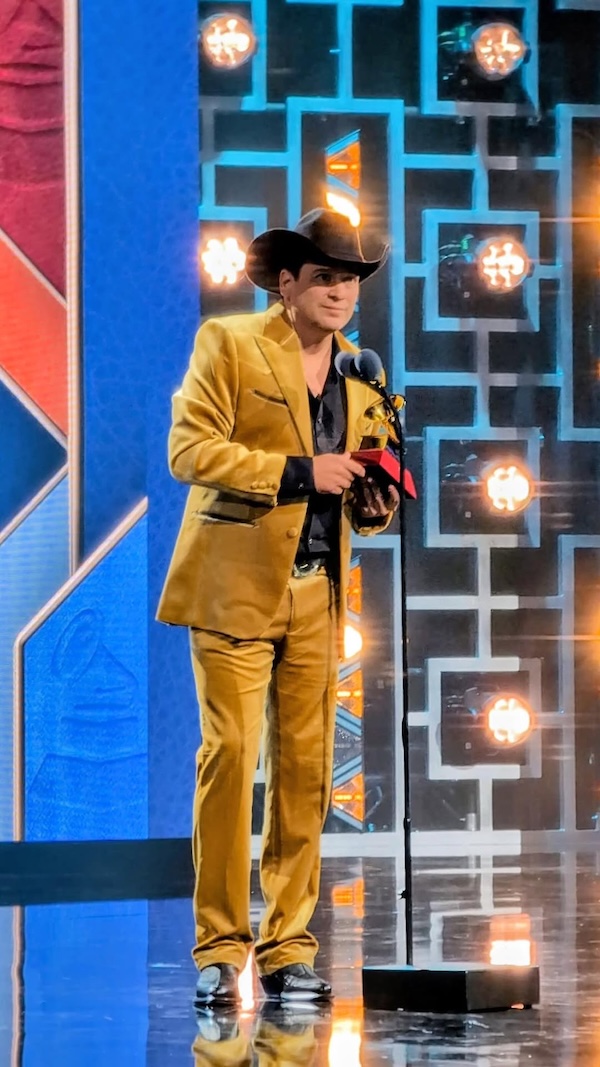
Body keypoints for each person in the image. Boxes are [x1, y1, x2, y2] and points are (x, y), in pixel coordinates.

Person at [157, 208, 399, 1006]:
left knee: (306, 774)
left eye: (350, 280)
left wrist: (374, 494)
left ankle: (290, 945)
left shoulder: (364, 375)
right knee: (230, 757)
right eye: (324, 276)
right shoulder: (229, 344)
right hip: (231, 588)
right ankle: (221, 949)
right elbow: (190, 451)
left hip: (317, 594)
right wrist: (304, 471)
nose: (339, 292)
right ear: (286, 282)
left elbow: (371, 498)